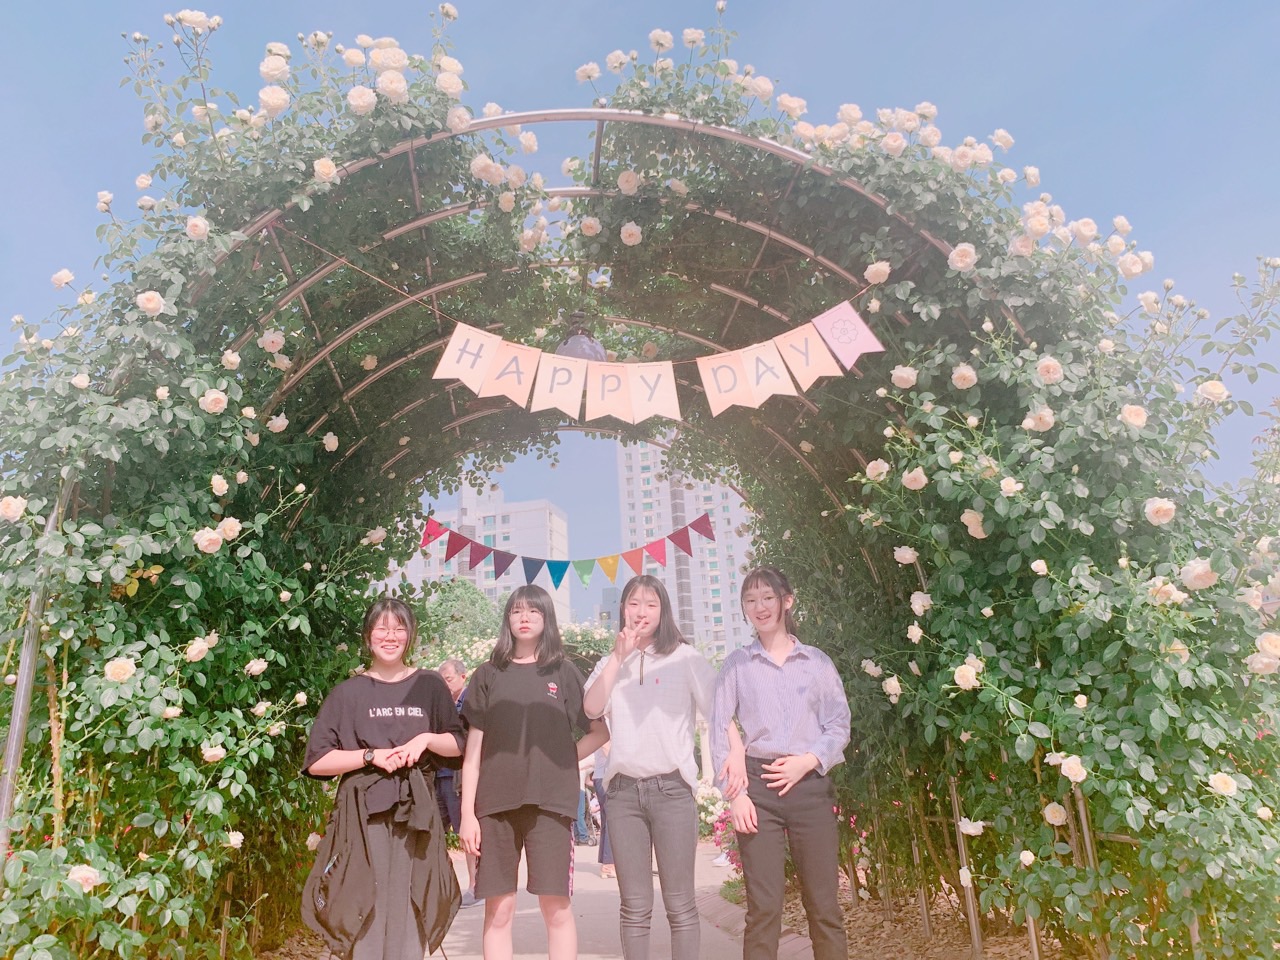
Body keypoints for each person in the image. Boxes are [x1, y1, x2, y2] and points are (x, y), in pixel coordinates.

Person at [583, 574, 744, 960]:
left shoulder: (684, 657)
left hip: (672, 791)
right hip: (623, 794)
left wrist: (736, 751)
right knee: (634, 907)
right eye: (634, 603)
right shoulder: (610, 662)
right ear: (623, 609)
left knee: (680, 905)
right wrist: (618, 657)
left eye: (651, 604)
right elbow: (591, 708)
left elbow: (718, 710)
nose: (641, 611)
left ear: (663, 611)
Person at [301, 596, 465, 960]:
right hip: (363, 815)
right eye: (382, 628)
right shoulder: (349, 693)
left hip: (417, 815)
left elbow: (458, 744)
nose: (390, 636)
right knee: (363, 901)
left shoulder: (430, 685)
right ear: (367, 636)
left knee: (412, 901)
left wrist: (425, 740)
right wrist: (369, 756)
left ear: (410, 635)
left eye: (399, 628)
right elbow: (317, 761)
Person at [459, 585, 610, 960]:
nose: (524, 618)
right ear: (507, 619)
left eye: (533, 611)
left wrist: (560, 760)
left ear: (547, 619)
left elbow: (600, 732)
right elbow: (472, 753)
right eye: (516, 611)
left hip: (551, 804)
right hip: (495, 806)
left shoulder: (563, 671)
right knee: (499, 910)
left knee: (555, 907)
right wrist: (467, 816)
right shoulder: (487, 674)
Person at [711, 566, 852, 960]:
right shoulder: (736, 665)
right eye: (751, 600)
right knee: (763, 910)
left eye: (768, 597)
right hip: (758, 791)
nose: (760, 607)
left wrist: (807, 760)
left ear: (787, 601)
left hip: (809, 787)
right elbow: (718, 726)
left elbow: (839, 724)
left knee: (824, 906)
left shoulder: (816, 662)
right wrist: (736, 795)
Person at [436, 657, 479, 907]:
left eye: (448, 679)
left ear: (463, 677)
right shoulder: (441, 704)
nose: (445, 684)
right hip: (439, 775)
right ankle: (441, 887)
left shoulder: (471, 702)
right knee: (434, 831)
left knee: (466, 831)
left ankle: (475, 886)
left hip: (459, 776)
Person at [591, 741, 615, 880]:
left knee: (607, 821)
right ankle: (609, 864)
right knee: (612, 821)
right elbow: (606, 747)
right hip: (606, 777)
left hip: (601, 776)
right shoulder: (606, 727)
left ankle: (607, 861)